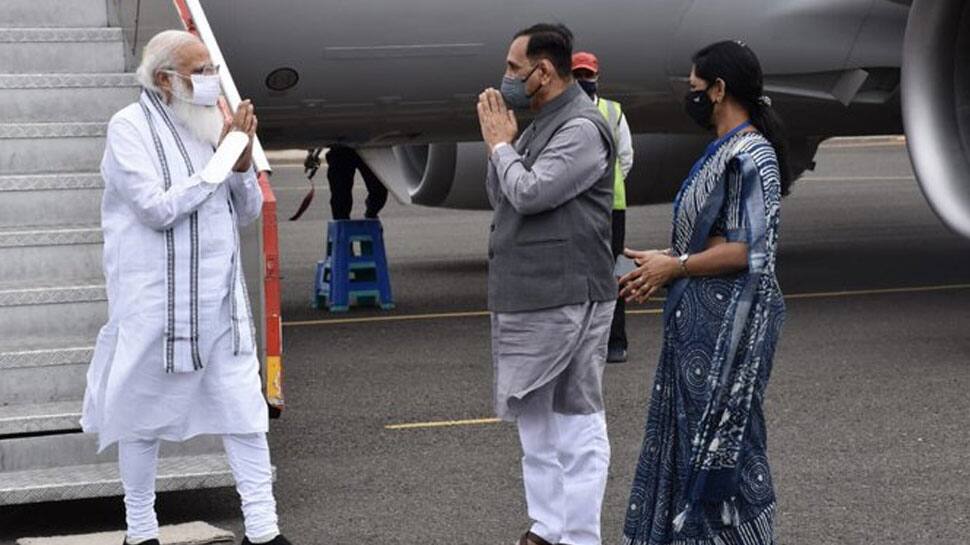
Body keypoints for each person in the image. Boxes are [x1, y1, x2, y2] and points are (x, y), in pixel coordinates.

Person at [80, 30, 291, 545]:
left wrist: (239, 168)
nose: (210, 80)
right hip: (158, 303)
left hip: (219, 301)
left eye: (209, 68)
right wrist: (224, 160)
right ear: (164, 80)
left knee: (244, 411)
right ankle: (140, 530)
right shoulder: (128, 128)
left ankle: (263, 532)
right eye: (199, 72)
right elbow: (155, 208)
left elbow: (242, 211)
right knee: (141, 415)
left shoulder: (211, 125)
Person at [619, 40, 791, 545]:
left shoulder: (752, 155)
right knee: (690, 443)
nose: (690, 97)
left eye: (696, 88)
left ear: (719, 90)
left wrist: (677, 266)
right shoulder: (723, 149)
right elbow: (710, 237)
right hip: (699, 323)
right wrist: (667, 261)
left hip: (728, 328)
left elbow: (749, 251)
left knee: (727, 448)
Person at [477, 23, 617, 545]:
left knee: (577, 423)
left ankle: (580, 535)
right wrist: (503, 147)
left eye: (515, 69)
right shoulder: (539, 124)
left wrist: (499, 147)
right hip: (530, 295)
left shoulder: (580, 127)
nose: (507, 78)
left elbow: (532, 193)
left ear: (545, 71)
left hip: (568, 297)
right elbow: (503, 194)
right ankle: (547, 525)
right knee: (534, 422)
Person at [571, 51, 634, 364]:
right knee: (577, 274)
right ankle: (583, 340)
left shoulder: (613, 111)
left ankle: (616, 339)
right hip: (575, 208)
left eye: (588, 75)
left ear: (597, 77)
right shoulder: (564, 112)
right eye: (578, 75)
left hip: (611, 207)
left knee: (615, 272)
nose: (584, 81)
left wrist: (607, 187)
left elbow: (626, 157)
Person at [326, 144, 388, 220]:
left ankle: (371, 216)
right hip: (341, 147)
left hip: (369, 146)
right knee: (340, 197)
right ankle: (342, 226)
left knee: (380, 191)